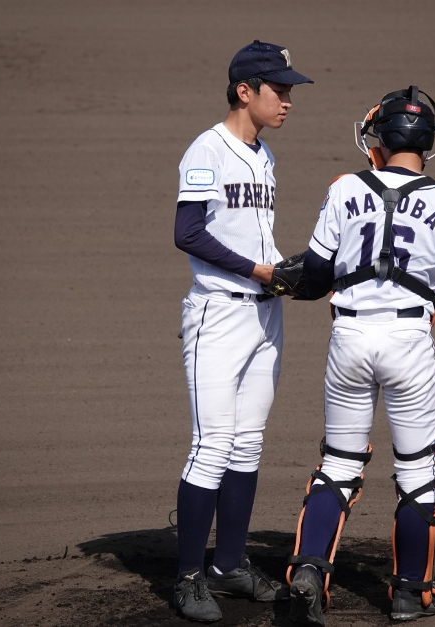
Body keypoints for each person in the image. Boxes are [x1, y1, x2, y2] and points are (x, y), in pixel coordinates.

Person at [284, 86, 435, 624]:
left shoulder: (344, 187)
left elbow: (315, 273)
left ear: (381, 136)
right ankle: (409, 594)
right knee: (419, 471)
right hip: (408, 345)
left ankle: (308, 574)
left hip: (348, 339)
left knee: (337, 465)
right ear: (428, 141)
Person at [170, 40, 313, 623]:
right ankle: (187, 577)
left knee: (248, 443)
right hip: (219, 314)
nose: (288, 101)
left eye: (290, 90)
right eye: (279, 90)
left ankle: (228, 566)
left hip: (264, 315)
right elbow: (187, 233)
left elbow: (256, 238)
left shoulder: (264, 155)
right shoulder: (207, 149)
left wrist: (287, 275)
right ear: (244, 91)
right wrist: (259, 271)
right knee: (212, 445)